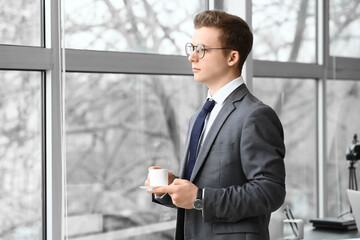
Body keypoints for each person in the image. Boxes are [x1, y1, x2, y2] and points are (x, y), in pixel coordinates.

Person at [144, 10, 286, 240]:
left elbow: (270, 192)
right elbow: (198, 194)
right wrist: (172, 188)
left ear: (232, 58)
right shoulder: (199, 116)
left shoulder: (256, 115)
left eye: (202, 50)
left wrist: (201, 197)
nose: (192, 57)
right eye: (192, 49)